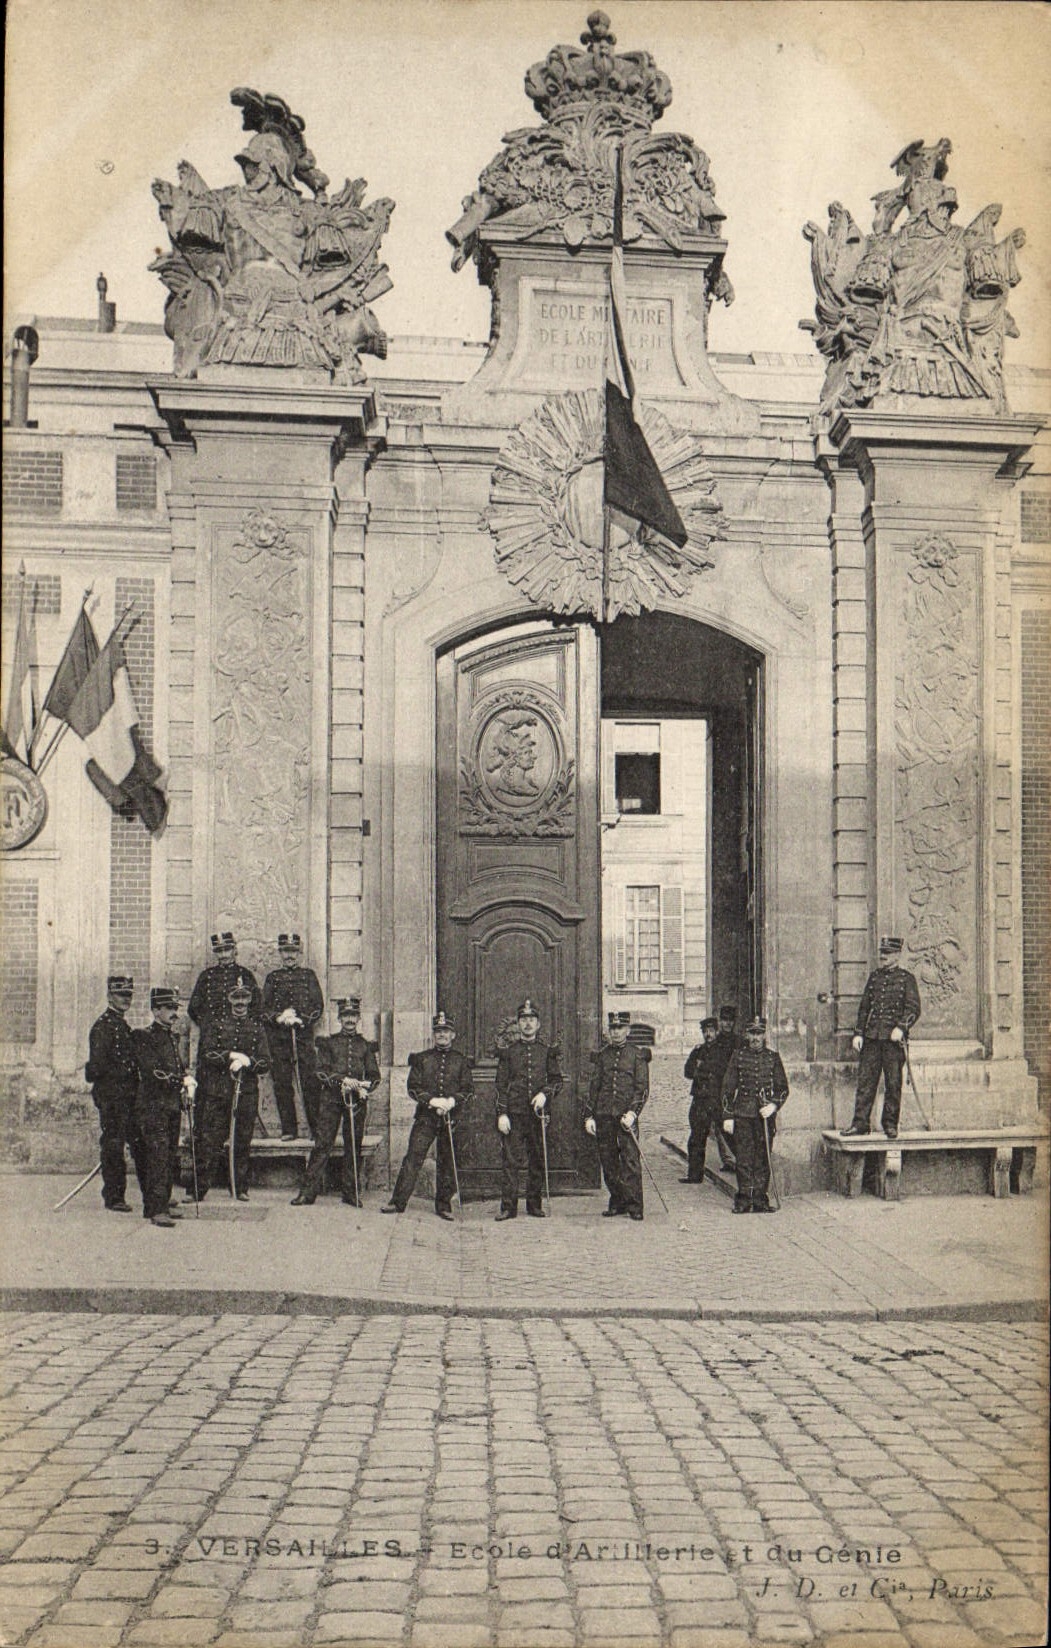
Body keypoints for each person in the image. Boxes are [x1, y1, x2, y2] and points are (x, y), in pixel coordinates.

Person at [382, 1011, 472, 1221]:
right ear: (433, 1034)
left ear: (453, 1035)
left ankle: (443, 1205)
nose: (441, 1035)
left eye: (446, 1031)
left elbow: (468, 1088)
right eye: (438, 1031)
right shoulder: (422, 1059)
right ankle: (398, 1201)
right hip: (426, 1118)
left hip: (451, 1118)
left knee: (447, 1160)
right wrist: (431, 1101)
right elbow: (413, 1087)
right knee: (413, 1157)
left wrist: (451, 1101)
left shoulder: (461, 1061)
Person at [295, 998, 381, 1207]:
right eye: (345, 1016)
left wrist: (363, 1087)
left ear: (358, 1019)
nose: (349, 1020)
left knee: (353, 1144)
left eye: (353, 1016)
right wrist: (341, 1080)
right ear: (340, 1018)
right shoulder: (329, 1043)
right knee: (323, 1143)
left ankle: (351, 1193)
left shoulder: (365, 1046)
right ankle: (307, 1193)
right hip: (331, 1099)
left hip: (356, 1102)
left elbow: (374, 1076)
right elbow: (321, 1071)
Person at [192, 976, 270, 1201]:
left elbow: (266, 1062)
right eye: (236, 997)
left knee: (242, 1140)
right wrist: (229, 1056)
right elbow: (207, 1054)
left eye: (244, 998)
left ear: (250, 1000)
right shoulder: (217, 1025)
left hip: (246, 1092)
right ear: (229, 999)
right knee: (210, 1139)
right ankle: (198, 1188)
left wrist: (249, 1062)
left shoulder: (257, 1028)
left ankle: (239, 1188)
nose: (240, 1003)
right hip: (219, 1091)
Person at [841, 936, 921, 1139]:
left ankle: (890, 1124)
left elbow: (913, 1008)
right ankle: (860, 1124)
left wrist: (901, 1028)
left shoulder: (906, 979)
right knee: (866, 1082)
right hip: (872, 1038)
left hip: (893, 1042)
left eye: (887, 953)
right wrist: (858, 1033)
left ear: (897, 955)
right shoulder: (874, 978)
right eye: (881, 953)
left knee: (893, 1084)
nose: (883, 956)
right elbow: (864, 1008)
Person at [493, 1000, 562, 1222]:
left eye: (532, 1020)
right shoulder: (509, 1053)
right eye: (523, 1020)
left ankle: (534, 1205)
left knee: (537, 1160)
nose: (528, 1024)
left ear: (538, 1024)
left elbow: (556, 1081)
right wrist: (502, 1114)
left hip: (538, 1116)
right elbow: (501, 1085)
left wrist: (545, 1094)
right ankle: (508, 1207)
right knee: (511, 1161)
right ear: (518, 1024)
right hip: (514, 1114)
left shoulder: (546, 1052)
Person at [131, 988, 194, 1228]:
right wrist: (180, 1081)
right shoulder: (144, 1037)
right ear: (155, 1010)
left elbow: (177, 1068)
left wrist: (185, 1080)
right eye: (168, 1008)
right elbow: (154, 1073)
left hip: (170, 1106)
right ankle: (156, 1209)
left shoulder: (171, 1037)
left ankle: (162, 1202)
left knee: (168, 1155)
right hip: (152, 1107)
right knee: (156, 1157)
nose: (174, 1013)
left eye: (175, 1008)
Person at [85, 975, 147, 1213]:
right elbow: (97, 1068)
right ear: (110, 996)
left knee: (139, 1144)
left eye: (128, 995)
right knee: (113, 1146)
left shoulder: (122, 1025)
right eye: (121, 995)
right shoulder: (103, 1027)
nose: (125, 1000)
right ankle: (114, 1197)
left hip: (128, 1098)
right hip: (112, 1099)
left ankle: (152, 1192)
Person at [585, 1011, 649, 1221]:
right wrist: (589, 1116)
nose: (616, 1032)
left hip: (625, 1117)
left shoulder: (637, 1055)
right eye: (612, 1028)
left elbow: (642, 1088)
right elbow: (594, 1087)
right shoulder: (603, 1055)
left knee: (630, 1161)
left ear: (628, 1030)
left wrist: (633, 1112)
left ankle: (635, 1205)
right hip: (604, 1115)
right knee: (609, 1161)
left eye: (620, 1028)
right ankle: (617, 1201)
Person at [721, 1016, 789, 1213]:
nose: (755, 1038)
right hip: (743, 1114)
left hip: (765, 1118)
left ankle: (760, 1200)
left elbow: (783, 1088)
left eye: (759, 1033)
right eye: (752, 1033)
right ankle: (743, 1200)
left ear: (765, 1034)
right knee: (743, 1158)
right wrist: (728, 1116)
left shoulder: (773, 1058)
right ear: (746, 1034)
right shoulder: (738, 1056)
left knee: (763, 1158)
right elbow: (727, 1088)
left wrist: (774, 1106)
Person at [262, 933, 324, 1139]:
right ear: (280, 953)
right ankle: (289, 1129)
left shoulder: (308, 976)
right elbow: (263, 1010)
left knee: (310, 1082)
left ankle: (316, 1129)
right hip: (279, 1041)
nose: (290, 955)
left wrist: (302, 1020)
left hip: (303, 1039)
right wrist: (279, 1018)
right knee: (282, 1083)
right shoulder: (273, 978)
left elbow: (318, 1006)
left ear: (299, 953)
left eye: (293, 951)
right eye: (286, 951)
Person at [681, 1016, 721, 1185]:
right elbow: (688, 1072)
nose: (708, 1034)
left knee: (729, 1136)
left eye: (711, 1031)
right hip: (700, 1100)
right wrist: (699, 1070)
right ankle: (694, 1175)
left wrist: (702, 1070)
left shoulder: (724, 1052)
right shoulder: (698, 1051)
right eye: (705, 1031)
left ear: (717, 1031)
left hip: (717, 1099)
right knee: (696, 1138)